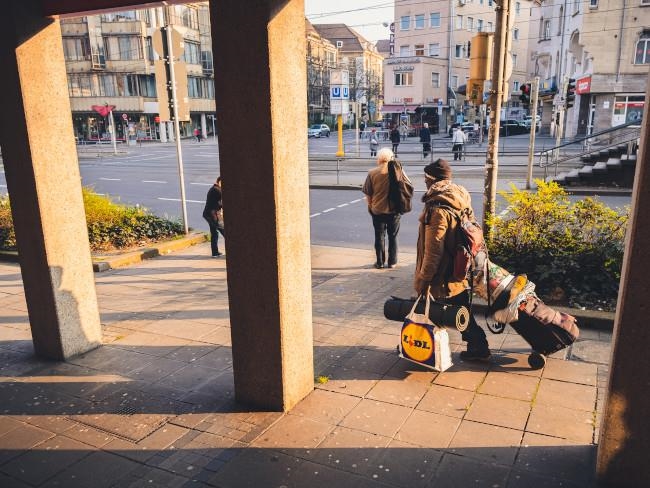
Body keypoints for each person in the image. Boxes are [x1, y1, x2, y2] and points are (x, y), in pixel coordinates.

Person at [413, 159, 491, 361]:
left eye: (425, 178)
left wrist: (424, 278)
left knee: (444, 309)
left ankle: (477, 345)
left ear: (431, 180)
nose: (424, 182)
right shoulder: (459, 197)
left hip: (443, 272)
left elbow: (433, 250)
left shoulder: (438, 209)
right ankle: (474, 345)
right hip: (458, 266)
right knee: (452, 308)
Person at [362, 147, 408, 269]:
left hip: (377, 210)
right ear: (391, 158)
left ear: (379, 159)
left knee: (379, 236)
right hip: (394, 210)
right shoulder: (398, 171)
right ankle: (392, 262)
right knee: (393, 236)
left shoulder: (372, 173)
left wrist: (371, 205)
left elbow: (368, 193)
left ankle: (380, 262)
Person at [202, 177, 225, 257]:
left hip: (209, 214)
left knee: (214, 233)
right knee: (225, 232)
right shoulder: (217, 190)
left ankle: (215, 253)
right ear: (219, 182)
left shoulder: (214, 188)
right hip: (213, 216)